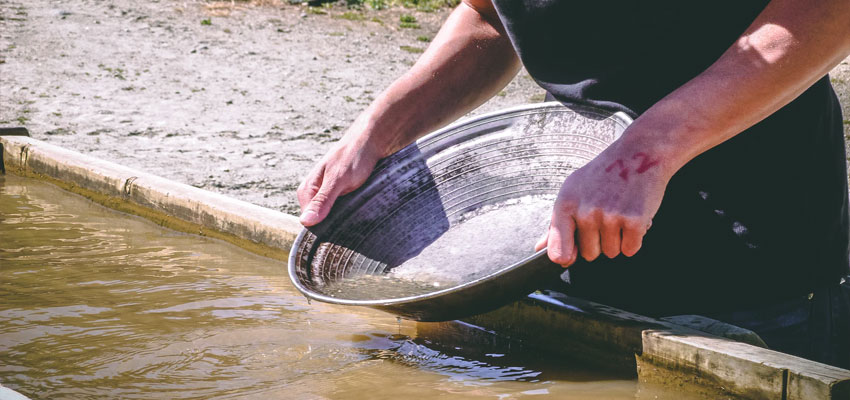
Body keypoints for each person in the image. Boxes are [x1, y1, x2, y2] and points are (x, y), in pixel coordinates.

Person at [296, 0, 850, 367]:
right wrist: (379, 128)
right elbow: (491, 15)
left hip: (752, 257)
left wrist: (644, 154)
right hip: (557, 241)